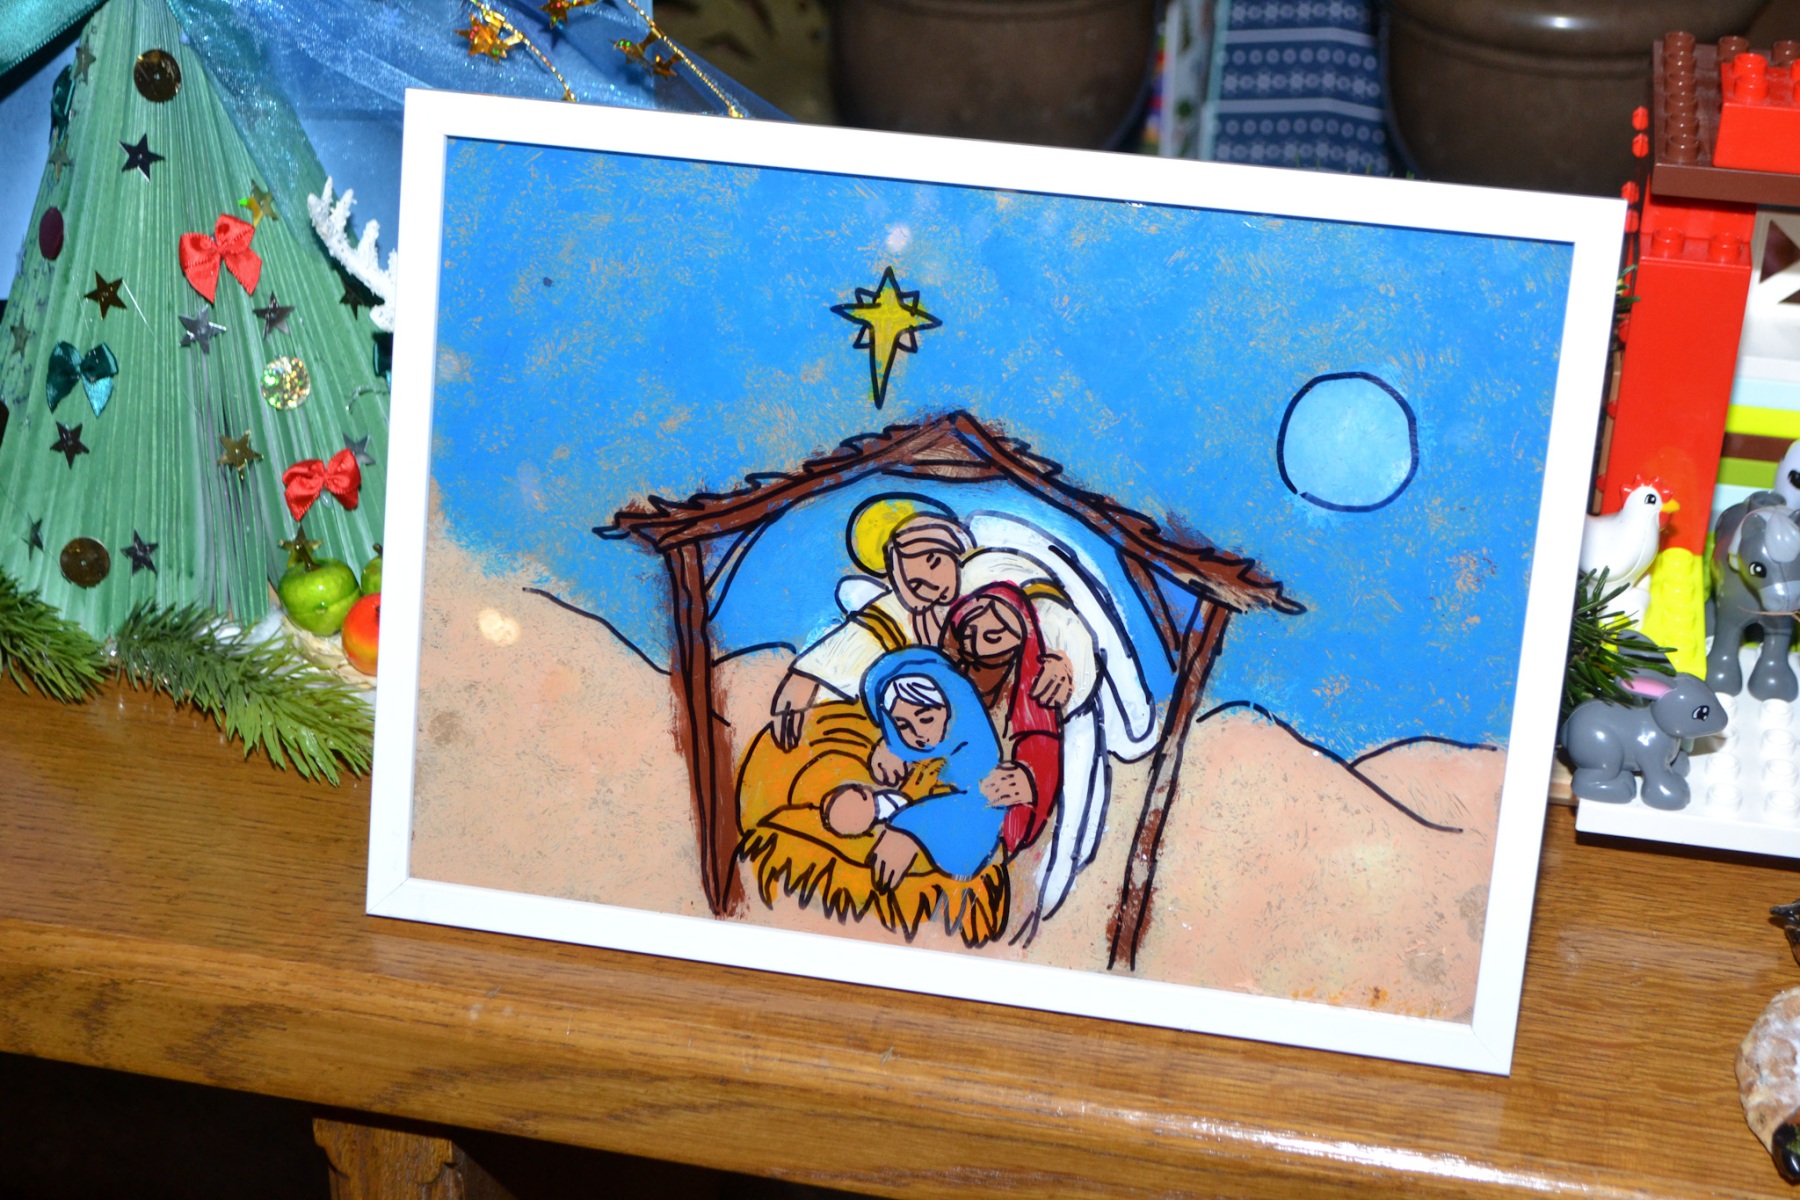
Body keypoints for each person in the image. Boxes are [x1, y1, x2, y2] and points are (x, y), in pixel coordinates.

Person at [820, 649, 1008, 888]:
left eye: (926, 718)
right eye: (902, 725)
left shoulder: (977, 750)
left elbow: (982, 812)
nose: (919, 735)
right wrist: (893, 745)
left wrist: (909, 829)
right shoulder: (890, 744)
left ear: (948, 707)